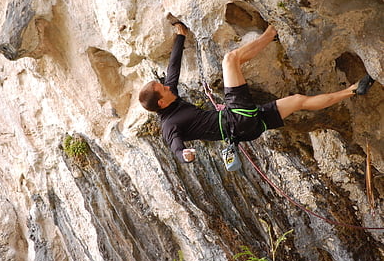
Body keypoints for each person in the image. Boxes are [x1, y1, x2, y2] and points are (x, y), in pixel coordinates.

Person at [139, 21, 375, 163]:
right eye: (163, 89)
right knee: (230, 60)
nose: (168, 85)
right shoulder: (169, 125)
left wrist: (180, 36)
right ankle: (272, 32)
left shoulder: (170, 99)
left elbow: (173, 70)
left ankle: (354, 90)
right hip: (235, 118)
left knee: (299, 101)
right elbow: (175, 148)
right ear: (160, 103)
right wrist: (185, 156)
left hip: (246, 129)